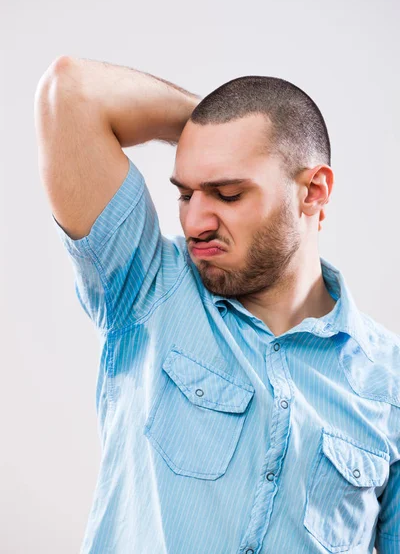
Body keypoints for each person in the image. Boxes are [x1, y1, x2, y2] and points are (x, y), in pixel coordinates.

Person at [34, 57, 399, 554]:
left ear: (313, 191)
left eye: (227, 194)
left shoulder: (390, 387)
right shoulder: (146, 290)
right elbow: (69, 91)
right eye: (185, 194)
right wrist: (214, 121)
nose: (195, 222)